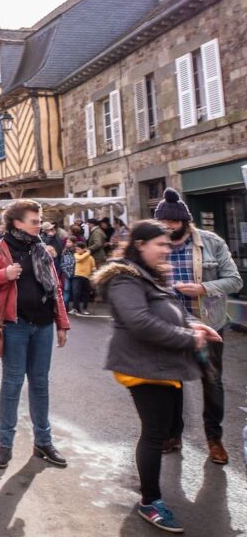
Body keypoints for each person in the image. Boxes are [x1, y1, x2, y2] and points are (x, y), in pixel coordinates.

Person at [97, 220, 223, 534]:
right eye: (161, 244)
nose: (167, 249)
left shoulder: (151, 274)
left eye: (168, 244)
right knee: (154, 432)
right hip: (142, 366)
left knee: (170, 428)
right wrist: (186, 338)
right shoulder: (124, 278)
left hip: (163, 364)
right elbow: (139, 321)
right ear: (141, 244)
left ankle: (152, 491)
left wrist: (194, 325)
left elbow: (170, 310)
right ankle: (150, 501)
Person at [0, 199, 70, 470]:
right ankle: (5, 444)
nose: (40, 225)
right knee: (12, 384)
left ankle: (43, 441)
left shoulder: (42, 250)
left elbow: (56, 289)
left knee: (40, 383)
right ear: (17, 223)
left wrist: (62, 323)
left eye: (40, 221)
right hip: (14, 326)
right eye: (34, 221)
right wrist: (3, 274)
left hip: (43, 325)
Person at [153, 188, 242, 466]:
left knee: (211, 381)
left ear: (185, 221)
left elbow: (235, 280)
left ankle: (214, 439)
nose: (168, 229)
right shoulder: (155, 244)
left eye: (174, 224)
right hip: (169, 325)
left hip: (207, 324)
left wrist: (202, 288)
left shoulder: (211, 242)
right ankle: (172, 436)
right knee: (171, 382)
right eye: (163, 225)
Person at [71, 241, 96, 315]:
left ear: (83, 249)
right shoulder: (76, 255)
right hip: (77, 276)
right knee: (76, 293)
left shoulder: (91, 258)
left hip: (86, 277)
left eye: (78, 249)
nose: (77, 250)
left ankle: (85, 308)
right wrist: (88, 252)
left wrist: (94, 271)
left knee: (86, 294)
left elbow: (93, 267)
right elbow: (80, 258)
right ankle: (76, 308)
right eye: (76, 249)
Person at [59, 237, 77, 313]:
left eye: (69, 242)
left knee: (75, 291)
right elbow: (62, 262)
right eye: (67, 242)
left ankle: (75, 307)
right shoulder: (64, 251)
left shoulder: (76, 251)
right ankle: (65, 307)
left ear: (73, 243)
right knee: (66, 290)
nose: (67, 243)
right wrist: (64, 269)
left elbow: (76, 262)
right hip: (67, 273)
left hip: (76, 273)